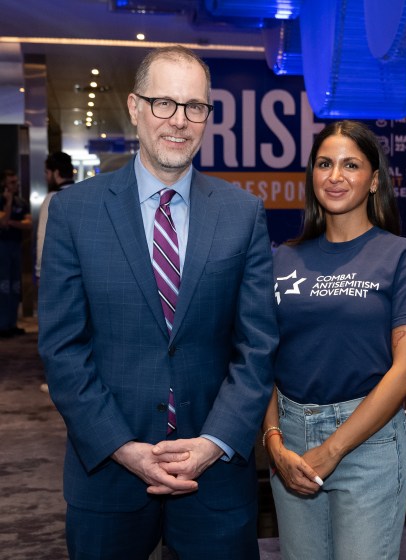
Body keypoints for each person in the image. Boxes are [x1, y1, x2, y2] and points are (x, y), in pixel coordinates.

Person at [38, 45, 278, 560]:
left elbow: (257, 347)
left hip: (215, 476)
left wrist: (212, 443)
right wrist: (122, 447)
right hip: (107, 471)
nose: (180, 120)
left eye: (195, 106)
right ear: (134, 106)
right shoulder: (74, 212)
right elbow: (62, 349)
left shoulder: (243, 214)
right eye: (163, 103)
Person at [263, 120, 406, 560]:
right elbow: (260, 359)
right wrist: (272, 440)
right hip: (289, 441)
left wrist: (333, 448)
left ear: (374, 180)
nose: (335, 176)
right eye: (324, 164)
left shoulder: (402, 257)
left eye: (351, 165)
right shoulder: (282, 258)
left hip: (369, 444)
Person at [0, 169, 31, 338]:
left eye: (16, 182)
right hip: (3, 246)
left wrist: (10, 222)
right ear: (4, 184)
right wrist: (8, 203)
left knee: (15, 286)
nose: (15, 185)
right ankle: (3, 324)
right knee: (4, 285)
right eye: (12, 182)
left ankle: (12, 323)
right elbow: (2, 222)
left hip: (16, 246)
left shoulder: (22, 202)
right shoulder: (2, 200)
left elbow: (28, 224)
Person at [36, 151, 76, 282]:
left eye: (47, 172)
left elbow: (43, 237)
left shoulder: (52, 198)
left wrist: (39, 272)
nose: (46, 177)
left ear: (56, 173)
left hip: (57, 271)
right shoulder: (83, 195)